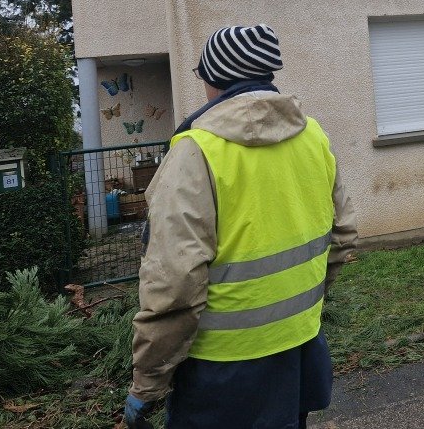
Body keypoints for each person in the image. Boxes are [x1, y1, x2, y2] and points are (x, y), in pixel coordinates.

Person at [123, 24, 357, 429]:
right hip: (300, 347)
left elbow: (176, 283)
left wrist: (148, 381)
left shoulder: (196, 151)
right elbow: (343, 236)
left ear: (214, 77)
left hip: (221, 370)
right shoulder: (314, 135)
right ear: (268, 74)